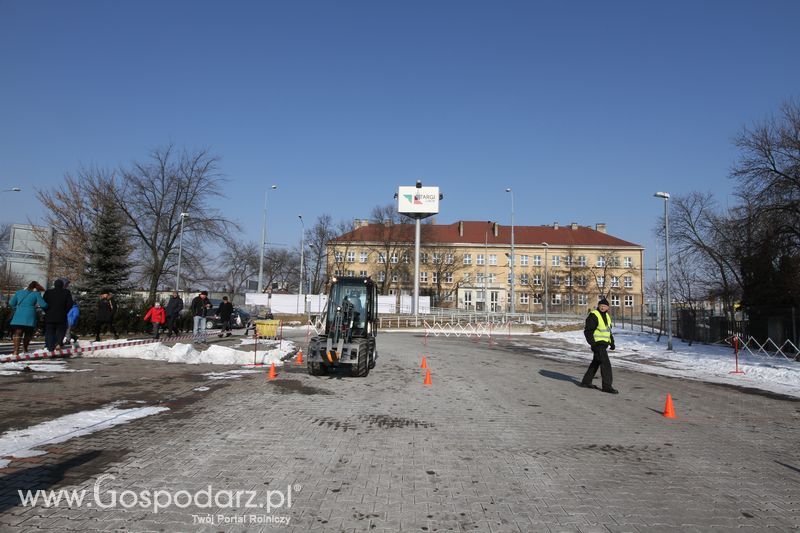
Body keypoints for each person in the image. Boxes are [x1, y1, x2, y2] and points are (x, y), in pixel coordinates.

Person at [580, 297, 618, 394]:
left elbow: (608, 331)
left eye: (605, 306)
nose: (602, 307)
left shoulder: (607, 316)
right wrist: (593, 343)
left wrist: (612, 342)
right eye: (601, 305)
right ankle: (607, 386)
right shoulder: (594, 315)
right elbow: (588, 331)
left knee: (596, 362)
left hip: (604, 344)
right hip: (598, 344)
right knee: (606, 364)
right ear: (598, 306)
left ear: (607, 308)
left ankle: (586, 382)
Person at [8, 281, 48, 356]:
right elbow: (43, 305)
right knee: (28, 333)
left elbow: (11, 303)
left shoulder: (18, 292)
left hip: (18, 314)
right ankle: (25, 350)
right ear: (35, 288)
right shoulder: (36, 294)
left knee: (18, 332)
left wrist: (17, 307)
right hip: (30, 315)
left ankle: (15, 351)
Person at [43, 279, 74, 351]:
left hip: (49, 316)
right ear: (62, 285)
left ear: (54, 285)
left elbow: (43, 304)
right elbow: (70, 303)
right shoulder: (66, 292)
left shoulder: (48, 292)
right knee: (61, 331)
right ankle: (58, 343)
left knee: (50, 332)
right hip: (61, 316)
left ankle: (50, 347)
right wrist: (65, 311)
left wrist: (47, 311)